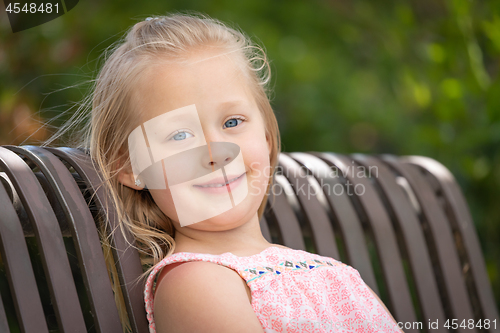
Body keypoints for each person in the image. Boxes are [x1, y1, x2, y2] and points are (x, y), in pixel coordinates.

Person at [78, 12, 403, 333]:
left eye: (232, 122)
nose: (216, 153)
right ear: (130, 165)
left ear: (266, 135)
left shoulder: (332, 273)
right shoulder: (196, 284)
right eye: (179, 135)